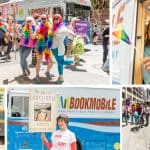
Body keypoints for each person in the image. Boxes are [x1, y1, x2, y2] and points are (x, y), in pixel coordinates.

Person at [47, 14, 75, 83]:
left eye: (57, 18)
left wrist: (75, 34)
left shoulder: (63, 28)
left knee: (61, 62)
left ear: (60, 19)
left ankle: (73, 61)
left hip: (59, 48)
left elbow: (69, 32)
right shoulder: (53, 27)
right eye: (54, 18)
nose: (55, 20)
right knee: (59, 63)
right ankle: (61, 77)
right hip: (53, 48)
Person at [35, 14, 54, 81]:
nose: (43, 20)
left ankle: (47, 72)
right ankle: (37, 75)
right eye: (42, 18)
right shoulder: (38, 27)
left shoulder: (50, 27)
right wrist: (36, 36)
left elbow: (53, 34)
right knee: (39, 61)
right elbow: (34, 35)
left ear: (47, 19)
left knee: (51, 62)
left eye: (44, 18)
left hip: (47, 47)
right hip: (39, 46)